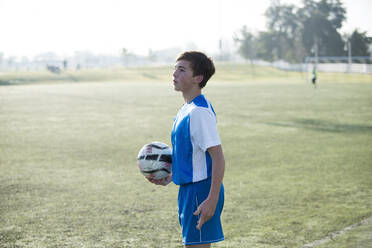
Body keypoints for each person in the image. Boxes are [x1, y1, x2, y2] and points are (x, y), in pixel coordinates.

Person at [147, 51, 225, 247]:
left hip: (201, 192)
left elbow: (217, 157)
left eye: (181, 70)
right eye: (175, 69)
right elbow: (192, 155)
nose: (174, 74)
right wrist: (171, 175)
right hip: (188, 190)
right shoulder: (186, 109)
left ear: (198, 78)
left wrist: (212, 199)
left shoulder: (199, 112)